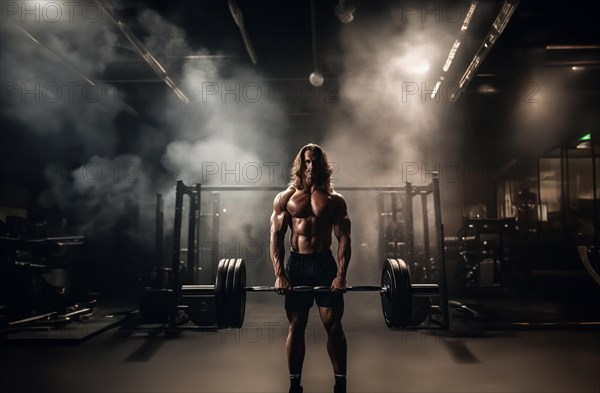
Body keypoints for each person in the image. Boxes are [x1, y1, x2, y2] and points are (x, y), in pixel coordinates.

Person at [270, 143, 351, 393]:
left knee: (334, 325)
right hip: (298, 265)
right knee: (296, 326)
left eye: (315, 161)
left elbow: (344, 238)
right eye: (307, 161)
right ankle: (295, 385)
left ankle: (340, 384)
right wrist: (280, 274)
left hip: (324, 263)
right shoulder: (285, 198)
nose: (311, 166)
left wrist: (340, 275)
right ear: (300, 164)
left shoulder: (335, 201)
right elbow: (275, 236)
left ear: (323, 166)